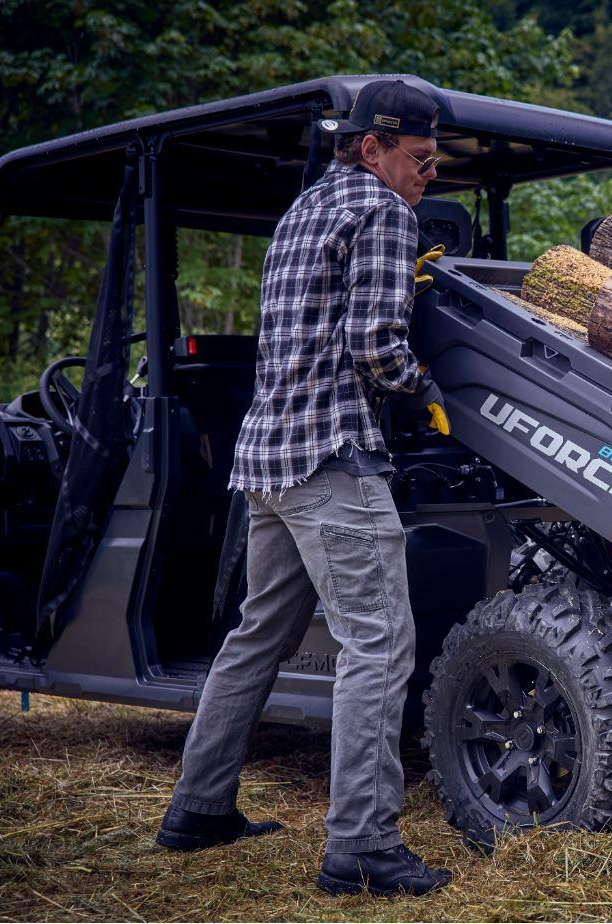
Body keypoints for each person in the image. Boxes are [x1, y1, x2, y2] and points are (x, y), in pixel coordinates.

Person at [156, 79, 452, 898]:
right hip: (330, 460)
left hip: (268, 459)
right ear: (373, 147)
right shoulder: (385, 213)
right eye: (420, 159)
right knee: (381, 645)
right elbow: (373, 343)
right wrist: (427, 389)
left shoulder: (305, 210)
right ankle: (361, 845)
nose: (429, 174)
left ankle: (198, 808)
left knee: (256, 637)